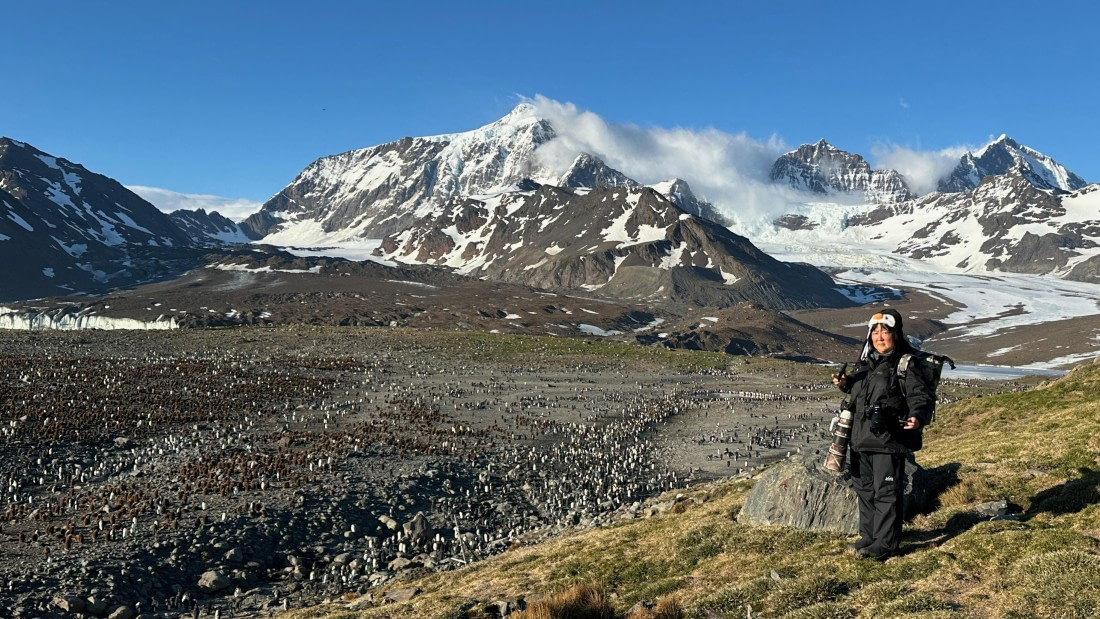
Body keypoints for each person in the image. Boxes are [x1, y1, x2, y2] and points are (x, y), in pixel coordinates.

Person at [832, 308, 934, 561]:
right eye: (875, 332)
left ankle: (887, 544)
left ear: (895, 334)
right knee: (865, 489)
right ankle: (869, 537)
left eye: (885, 331)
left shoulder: (905, 364)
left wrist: (917, 416)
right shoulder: (866, 364)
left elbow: (920, 395)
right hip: (860, 439)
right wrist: (845, 385)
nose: (879, 336)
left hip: (888, 440)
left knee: (886, 491)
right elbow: (860, 396)